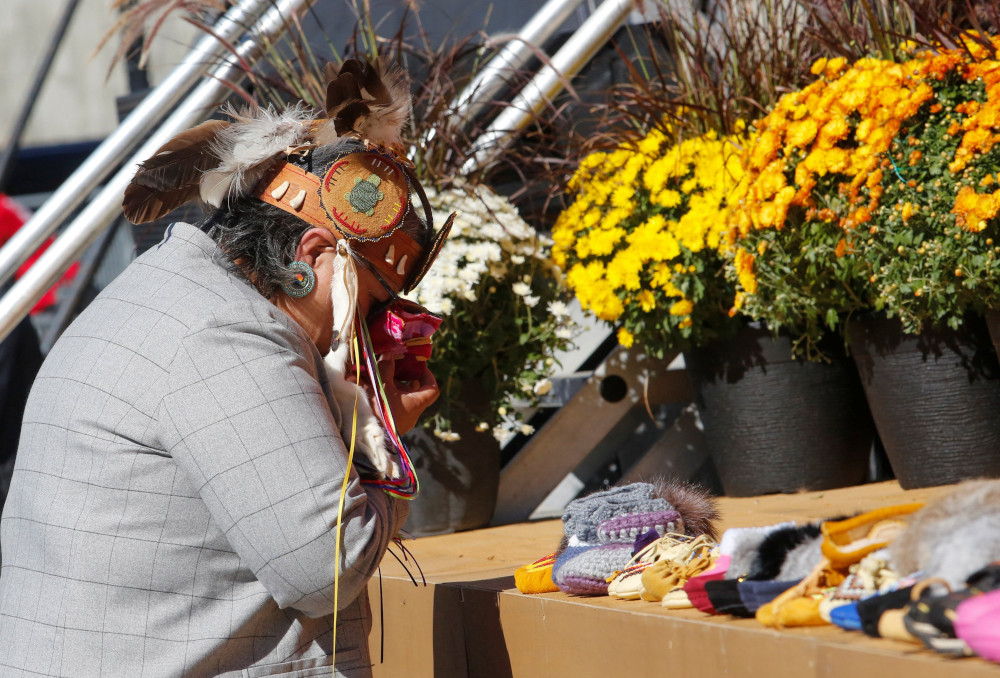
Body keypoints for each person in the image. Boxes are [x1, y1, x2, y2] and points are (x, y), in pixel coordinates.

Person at [0, 59, 450, 677]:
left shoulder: (170, 293)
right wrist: (381, 439)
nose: (369, 332)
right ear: (314, 255)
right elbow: (327, 564)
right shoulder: (225, 335)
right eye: (371, 303)